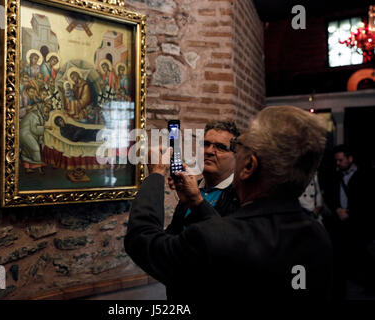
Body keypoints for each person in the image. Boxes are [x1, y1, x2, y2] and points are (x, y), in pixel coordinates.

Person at [125, 106, 332, 300]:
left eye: (237, 146)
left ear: (248, 165)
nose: (209, 151)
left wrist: (155, 175)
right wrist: (197, 203)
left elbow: (143, 239)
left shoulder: (218, 238)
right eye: (206, 144)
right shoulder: (318, 237)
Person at [166, 121, 240, 236]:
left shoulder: (240, 194)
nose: (209, 151)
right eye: (206, 144)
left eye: (220, 147)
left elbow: (226, 239)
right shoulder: (192, 187)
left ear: (236, 155)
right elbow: (174, 233)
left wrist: (195, 200)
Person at [323, 145, 374, 298]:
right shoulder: (336, 176)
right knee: (343, 256)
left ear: (350, 159)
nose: (338, 163)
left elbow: (367, 202)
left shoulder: (365, 176)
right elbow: (331, 196)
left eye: (341, 160)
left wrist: (351, 213)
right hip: (341, 224)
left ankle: (369, 285)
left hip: (359, 224)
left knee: (363, 255)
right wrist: (337, 209)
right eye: (336, 161)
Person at [19, 103, 51, 174]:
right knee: (35, 149)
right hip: (25, 134)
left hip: (27, 134)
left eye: (48, 111)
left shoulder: (39, 115)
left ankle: (28, 168)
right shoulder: (34, 116)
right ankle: (39, 168)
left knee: (27, 151)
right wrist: (45, 128)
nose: (47, 113)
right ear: (41, 109)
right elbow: (35, 130)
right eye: (46, 111)